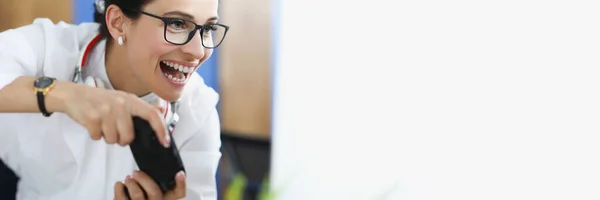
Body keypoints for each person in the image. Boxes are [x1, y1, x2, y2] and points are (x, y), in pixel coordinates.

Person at [0, 0, 229, 199]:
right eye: (177, 24)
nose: (198, 51)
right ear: (118, 22)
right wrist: (64, 95)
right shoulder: (47, 49)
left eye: (207, 28)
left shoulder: (198, 110)